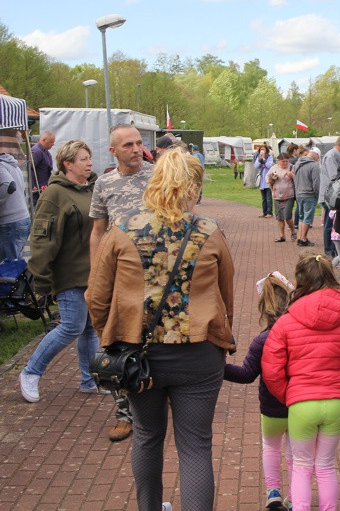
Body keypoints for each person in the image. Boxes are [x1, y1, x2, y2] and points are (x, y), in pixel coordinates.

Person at [86, 148, 235, 511]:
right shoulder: (209, 232)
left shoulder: (122, 231)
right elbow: (225, 297)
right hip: (198, 355)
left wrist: (112, 337)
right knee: (196, 445)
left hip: (139, 356)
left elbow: (97, 297)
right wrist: (219, 341)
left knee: (148, 436)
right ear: (194, 187)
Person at [262, 254, 340, 511]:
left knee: (301, 465)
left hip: (301, 402)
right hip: (335, 404)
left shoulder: (286, 322)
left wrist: (288, 394)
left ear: (300, 281)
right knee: (325, 466)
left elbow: (271, 368)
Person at [19, 140, 101, 402]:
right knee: (70, 327)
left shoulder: (90, 189)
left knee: (90, 329)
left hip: (92, 274)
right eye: (83, 159)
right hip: (69, 274)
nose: (89, 163)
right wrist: (41, 279)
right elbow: (42, 239)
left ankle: (91, 379)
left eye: (89, 158)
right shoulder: (55, 194)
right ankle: (31, 372)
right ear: (67, 163)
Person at [89, 124, 154, 443]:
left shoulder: (158, 176)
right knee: (117, 341)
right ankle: (124, 413)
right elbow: (98, 232)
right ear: (113, 151)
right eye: (128, 144)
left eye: (139, 143)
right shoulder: (104, 183)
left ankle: (157, 403)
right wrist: (95, 273)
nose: (136, 149)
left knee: (156, 339)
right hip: (119, 276)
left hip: (157, 275)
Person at [225, 272, 294, 510]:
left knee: (271, 448)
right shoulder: (299, 335)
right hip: (298, 407)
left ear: (263, 308)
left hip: (270, 408)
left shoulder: (261, 340)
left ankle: (273, 492)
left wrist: (218, 368)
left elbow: (246, 374)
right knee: (297, 455)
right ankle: (296, 495)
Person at [0, 130, 31, 262]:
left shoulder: (1, 165)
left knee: (9, 264)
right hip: (22, 217)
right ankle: (22, 282)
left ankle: (18, 283)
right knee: (16, 261)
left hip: (10, 221)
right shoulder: (12, 163)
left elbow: (9, 185)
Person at [319, 136, 340, 257]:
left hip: (335, 195)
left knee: (333, 222)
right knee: (329, 223)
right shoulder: (332, 156)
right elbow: (334, 176)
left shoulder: (339, 156)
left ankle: (333, 249)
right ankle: (329, 250)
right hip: (330, 196)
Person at [292, 146, 320, 247]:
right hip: (309, 194)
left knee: (301, 216)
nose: (318, 159)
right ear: (316, 155)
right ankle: (303, 239)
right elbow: (316, 182)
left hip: (299, 193)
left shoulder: (297, 163)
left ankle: (300, 237)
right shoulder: (314, 166)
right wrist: (317, 194)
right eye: (318, 157)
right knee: (307, 218)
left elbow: (294, 178)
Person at [268, 153, 296, 242]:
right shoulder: (274, 168)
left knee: (287, 216)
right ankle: (282, 235)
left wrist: (292, 176)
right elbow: (267, 178)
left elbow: (298, 179)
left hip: (289, 195)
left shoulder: (292, 167)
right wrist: (272, 179)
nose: (285, 163)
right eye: (283, 161)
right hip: (277, 195)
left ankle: (293, 231)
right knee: (279, 217)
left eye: (286, 161)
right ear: (278, 161)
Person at [31, 130, 55, 207]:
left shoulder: (45, 152)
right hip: (37, 190)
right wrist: (32, 185)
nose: (53, 144)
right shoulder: (37, 151)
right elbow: (30, 168)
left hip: (43, 187)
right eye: (51, 142)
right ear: (44, 140)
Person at [254, 145, 275, 218]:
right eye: (261, 150)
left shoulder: (269, 157)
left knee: (268, 197)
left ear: (266, 150)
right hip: (261, 179)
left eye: (263, 149)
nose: (262, 151)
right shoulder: (258, 158)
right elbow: (256, 166)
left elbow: (269, 165)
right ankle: (264, 212)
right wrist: (261, 161)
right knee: (263, 198)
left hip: (268, 179)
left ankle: (269, 212)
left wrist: (264, 159)